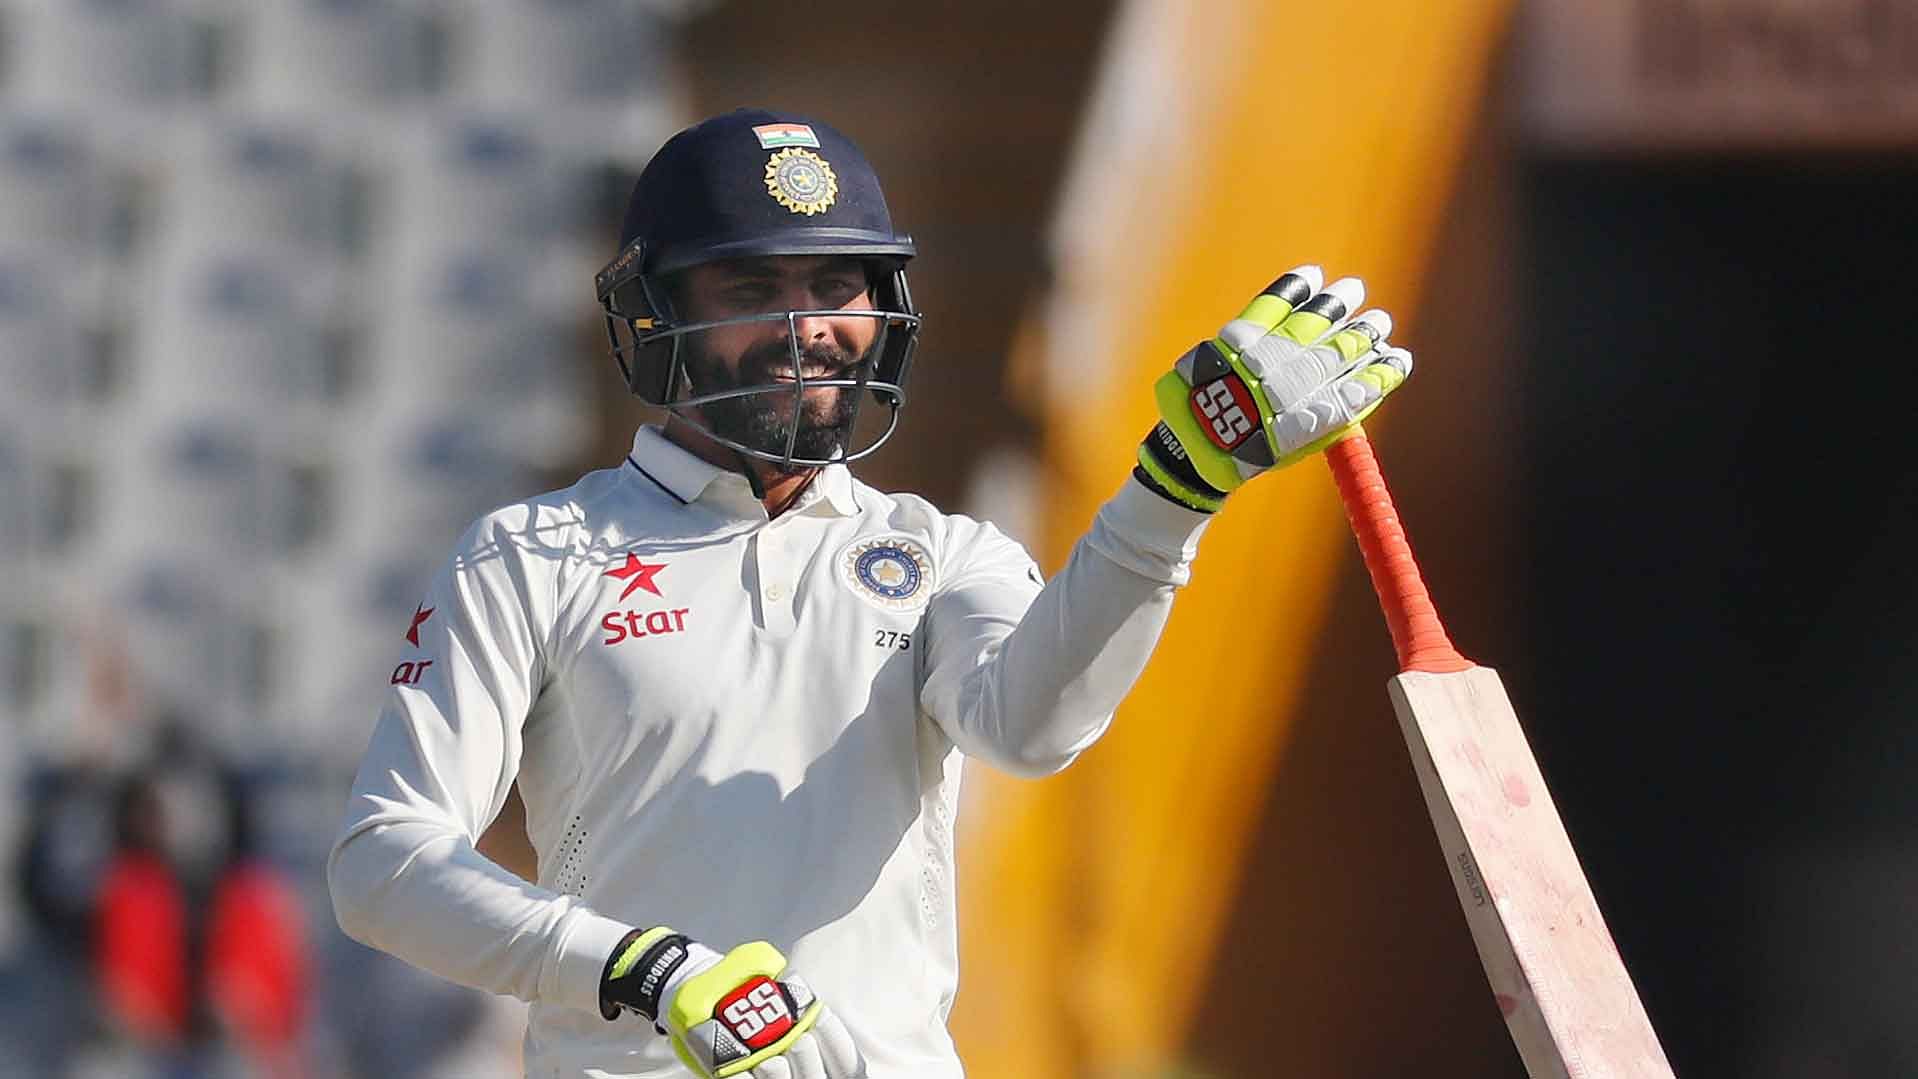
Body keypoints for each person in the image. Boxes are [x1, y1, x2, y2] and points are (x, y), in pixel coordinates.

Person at [327, 108, 1413, 1079]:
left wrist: (1175, 486)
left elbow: (1029, 726)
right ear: (657, 314)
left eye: (837, 282)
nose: (810, 325)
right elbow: (383, 861)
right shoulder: (533, 551)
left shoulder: (941, 554)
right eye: (752, 287)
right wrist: (645, 968)